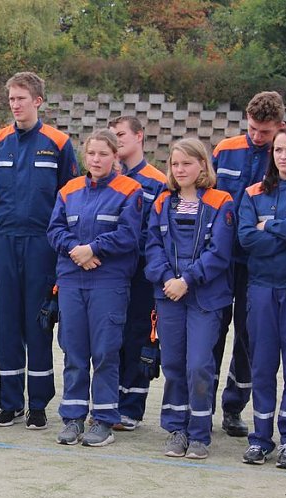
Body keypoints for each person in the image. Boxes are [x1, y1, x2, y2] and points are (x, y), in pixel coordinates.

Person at [0, 72, 79, 429]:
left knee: (37, 321)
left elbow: (69, 195)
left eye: (21, 98)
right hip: (7, 240)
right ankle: (9, 402)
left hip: (43, 243)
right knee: (7, 322)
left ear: (38, 100)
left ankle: (38, 403)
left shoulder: (58, 142)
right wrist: (7, 223)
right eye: (11, 98)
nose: (15, 104)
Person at [47, 129, 141, 447]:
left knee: (104, 353)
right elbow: (55, 230)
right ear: (84, 156)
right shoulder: (69, 190)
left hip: (109, 284)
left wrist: (94, 248)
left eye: (103, 154)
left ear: (116, 157)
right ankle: (72, 417)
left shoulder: (131, 190)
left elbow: (129, 235)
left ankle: (102, 420)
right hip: (72, 281)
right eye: (91, 154)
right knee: (74, 353)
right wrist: (78, 250)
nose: (97, 159)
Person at [145, 139, 234, 460]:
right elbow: (152, 245)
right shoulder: (161, 202)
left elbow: (220, 252)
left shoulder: (221, 201)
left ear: (202, 166)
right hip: (169, 295)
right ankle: (176, 429)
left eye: (186, 163)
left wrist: (187, 280)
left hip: (205, 298)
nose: (179, 170)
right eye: (174, 164)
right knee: (173, 364)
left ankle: (199, 432)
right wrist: (168, 278)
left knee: (198, 364)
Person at [212, 91, 286, 437]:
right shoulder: (224, 149)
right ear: (246, 118)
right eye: (254, 129)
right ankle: (201, 407)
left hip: (257, 263)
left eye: (266, 133)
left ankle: (233, 407)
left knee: (247, 337)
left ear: (279, 127)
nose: (258, 137)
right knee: (211, 332)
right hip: (219, 260)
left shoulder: (284, 157)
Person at [238, 125, 286, 469]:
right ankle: (260, 439)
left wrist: (272, 227)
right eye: (277, 150)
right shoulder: (253, 193)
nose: (282, 156)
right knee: (262, 365)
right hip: (261, 288)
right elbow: (248, 239)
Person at [108, 116, 169, 430]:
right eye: (112, 135)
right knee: (110, 337)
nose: (116, 140)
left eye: (121, 134)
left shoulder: (157, 181)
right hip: (110, 273)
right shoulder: (107, 177)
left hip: (142, 274)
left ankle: (131, 408)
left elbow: (159, 233)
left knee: (136, 337)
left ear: (139, 137)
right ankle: (107, 401)